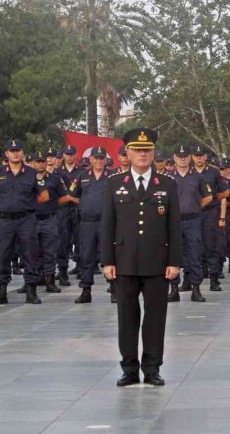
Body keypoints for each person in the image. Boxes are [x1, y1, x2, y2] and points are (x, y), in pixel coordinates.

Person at [101, 128, 182, 387]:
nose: (143, 155)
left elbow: (174, 226)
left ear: (154, 153)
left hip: (157, 262)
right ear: (128, 153)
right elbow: (107, 225)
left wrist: (174, 261)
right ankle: (129, 369)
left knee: (156, 317)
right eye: (137, 150)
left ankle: (152, 368)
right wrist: (107, 261)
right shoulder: (114, 183)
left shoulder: (167, 184)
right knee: (127, 317)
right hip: (123, 262)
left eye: (147, 150)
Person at [0, 139, 49, 305]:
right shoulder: (0, 172)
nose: (15, 153)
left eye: (18, 150)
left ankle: (31, 291)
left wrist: (28, 205)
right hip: (4, 220)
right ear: (6, 153)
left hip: (26, 219)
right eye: (12, 150)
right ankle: (2, 291)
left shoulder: (31, 173)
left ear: (22, 153)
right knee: (2, 255)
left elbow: (44, 196)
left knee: (30, 254)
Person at [168, 143, 214, 303]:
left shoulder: (198, 177)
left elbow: (208, 197)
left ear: (190, 158)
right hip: (173, 222)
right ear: (174, 158)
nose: (182, 159)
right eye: (179, 157)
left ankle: (196, 289)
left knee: (194, 254)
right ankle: (174, 289)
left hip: (193, 220)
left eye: (185, 156)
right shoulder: (167, 177)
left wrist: (195, 206)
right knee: (173, 255)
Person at [68, 147, 112, 304]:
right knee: (86, 256)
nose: (99, 161)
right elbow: (72, 195)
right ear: (91, 159)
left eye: (102, 158)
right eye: (96, 158)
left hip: (106, 222)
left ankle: (114, 289)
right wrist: (85, 205)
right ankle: (86, 290)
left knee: (109, 255)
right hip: (87, 223)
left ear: (105, 160)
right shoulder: (82, 176)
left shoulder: (112, 176)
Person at [191, 145, 229, 292]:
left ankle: (214, 279)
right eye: (196, 155)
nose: (199, 158)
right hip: (193, 213)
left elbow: (226, 192)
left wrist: (213, 198)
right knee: (192, 247)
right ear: (192, 157)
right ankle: (190, 280)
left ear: (205, 157)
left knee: (211, 245)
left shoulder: (213, 172)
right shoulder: (188, 172)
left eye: (201, 155)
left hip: (210, 212)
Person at [31, 151, 69, 293]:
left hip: (49, 219)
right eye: (38, 161)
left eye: (42, 161)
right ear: (32, 163)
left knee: (49, 251)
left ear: (46, 163)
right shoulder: (27, 178)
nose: (41, 164)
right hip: (31, 220)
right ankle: (31, 281)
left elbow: (65, 197)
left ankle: (50, 281)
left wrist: (53, 206)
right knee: (31, 252)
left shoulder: (54, 179)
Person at [57, 144, 81, 285]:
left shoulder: (81, 171)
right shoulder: (58, 171)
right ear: (64, 155)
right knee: (63, 241)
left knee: (79, 240)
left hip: (77, 209)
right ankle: (62, 271)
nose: (69, 156)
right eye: (67, 154)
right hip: (63, 210)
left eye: (71, 154)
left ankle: (80, 267)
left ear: (75, 155)